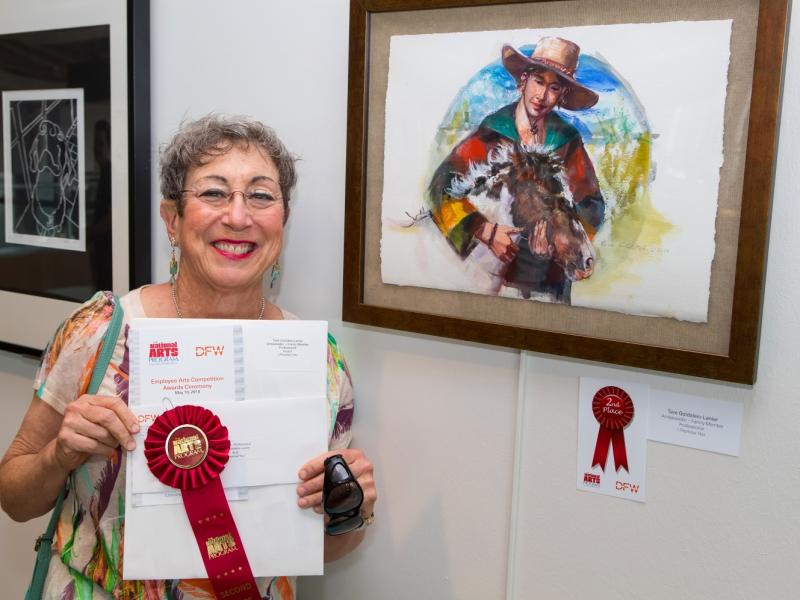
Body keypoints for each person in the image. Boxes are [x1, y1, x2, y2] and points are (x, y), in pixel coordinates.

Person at [0, 115, 377, 599]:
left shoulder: (317, 361)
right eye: (214, 192)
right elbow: (14, 498)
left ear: (282, 220)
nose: (238, 216)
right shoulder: (100, 331)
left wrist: (350, 509)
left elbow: (325, 545)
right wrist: (60, 453)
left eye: (261, 195)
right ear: (172, 220)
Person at [428, 36, 605, 302]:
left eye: (554, 88)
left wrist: (558, 240)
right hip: (488, 270)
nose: (542, 96)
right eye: (538, 82)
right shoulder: (493, 132)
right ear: (524, 80)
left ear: (562, 95)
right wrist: (485, 231)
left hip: (549, 277)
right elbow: (440, 188)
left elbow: (592, 204)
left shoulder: (566, 139)